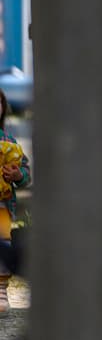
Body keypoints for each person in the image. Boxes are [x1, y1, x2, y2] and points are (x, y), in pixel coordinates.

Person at [0, 89, 29, 312]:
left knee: (3, 244)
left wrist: (18, 176)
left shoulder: (9, 141)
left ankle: (1, 292)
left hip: (2, 206)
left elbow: (25, 172)